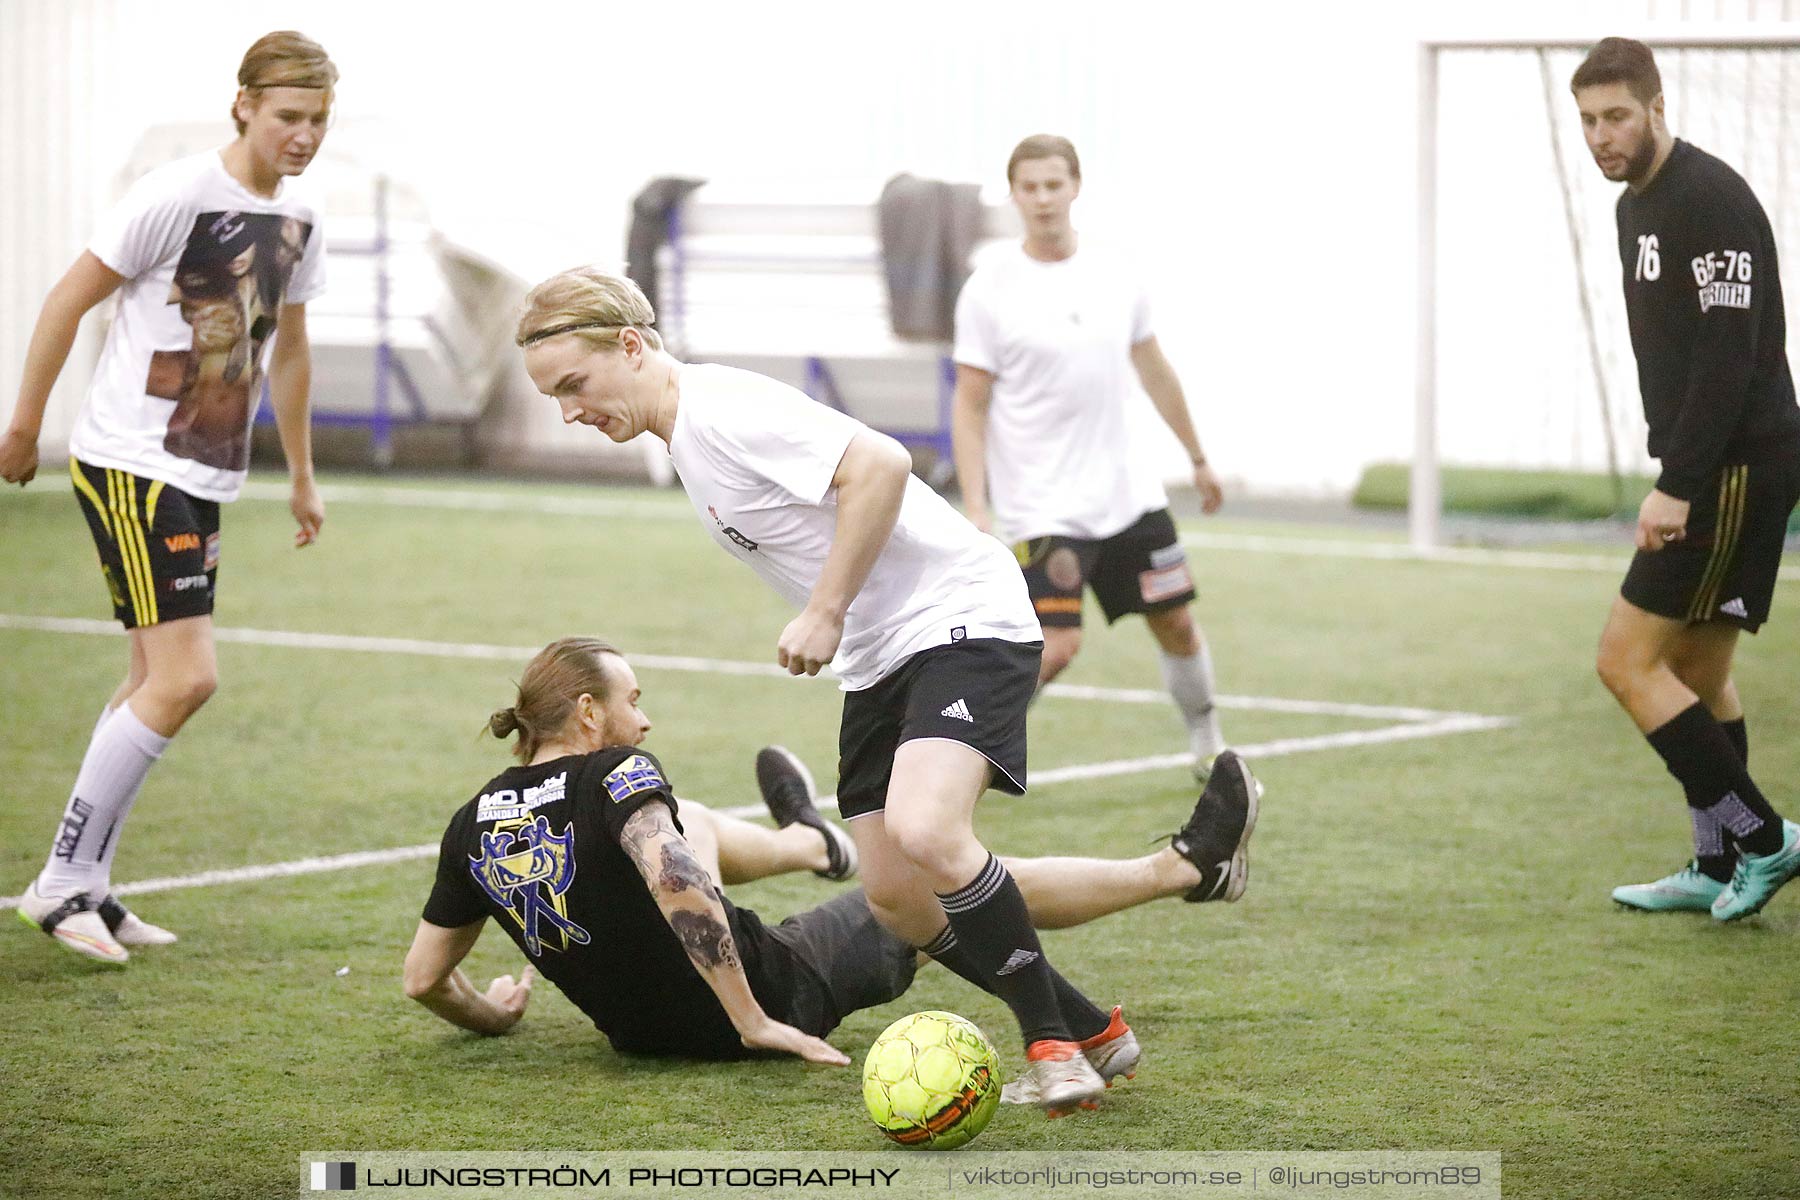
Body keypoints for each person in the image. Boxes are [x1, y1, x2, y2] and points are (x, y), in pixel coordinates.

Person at [513, 268, 1257, 1116]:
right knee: (898, 898)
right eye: (553, 398)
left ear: (633, 347)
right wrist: (845, 627)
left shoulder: (720, 409)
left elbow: (881, 465)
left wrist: (825, 611)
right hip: (881, 655)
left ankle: (1053, 1044)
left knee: (929, 828)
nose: (570, 410)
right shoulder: (686, 436)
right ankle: (1113, 993)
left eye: (574, 385)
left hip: (959, 616)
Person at [403, 637, 1260, 1097]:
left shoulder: (468, 823)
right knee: (935, 885)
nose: (646, 721)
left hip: (643, 1039)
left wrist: (495, 1017)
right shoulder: (616, 773)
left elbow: (424, 982)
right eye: (634, 701)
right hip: (781, 991)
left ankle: (815, 843)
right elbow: (676, 881)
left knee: (692, 820)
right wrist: (752, 1018)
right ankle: (1184, 868)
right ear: (588, 713)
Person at [3, 31, 337, 963]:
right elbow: (67, 301)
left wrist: (301, 474)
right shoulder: (177, 194)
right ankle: (63, 884)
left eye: (317, 119)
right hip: (129, 459)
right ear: (243, 106)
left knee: (154, 679)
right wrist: (26, 426)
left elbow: (291, 350)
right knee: (188, 678)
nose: (303, 135)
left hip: (204, 469)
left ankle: (90, 885)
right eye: (286, 117)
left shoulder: (304, 216)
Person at [1572, 38, 1800, 921]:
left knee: (1625, 661)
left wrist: (1679, 481)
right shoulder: (1637, 204)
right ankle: (1713, 864)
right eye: (1588, 120)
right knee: (1699, 669)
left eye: (1618, 115)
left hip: (1733, 466)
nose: (1601, 135)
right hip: (1723, 462)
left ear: (1658, 109)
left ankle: (1765, 838)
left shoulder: (1707, 198)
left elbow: (1729, 358)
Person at [950, 134, 1232, 780]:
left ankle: (1206, 743)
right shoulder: (989, 289)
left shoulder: (1116, 273)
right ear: (1014, 194)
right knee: (1054, 648)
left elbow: (1155, 369)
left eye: (1055, 184)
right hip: (1042, 505)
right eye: (1030, 187)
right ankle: (972, 761)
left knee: (1178, 625)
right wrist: (975, 503)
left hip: (1128, 496)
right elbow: (969, 405)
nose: (1044, 198)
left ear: (1076, 186)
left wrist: (1197, 456)